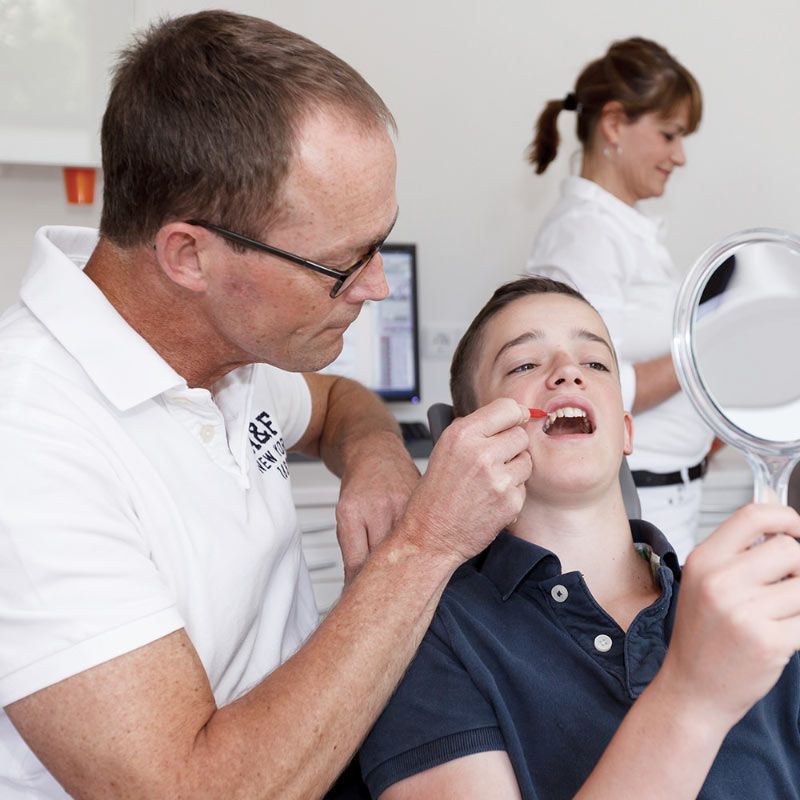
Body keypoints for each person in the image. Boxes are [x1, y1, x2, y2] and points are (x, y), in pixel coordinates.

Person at [0, 12, 537, 798]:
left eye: (380, 243)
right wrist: (425, 545)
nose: (376, 287)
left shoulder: (225, 353)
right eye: (343, 263)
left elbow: (338, 406)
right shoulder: (30, 444)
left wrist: (378, 459)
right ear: (189, 255)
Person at [360, 277, 800, 800]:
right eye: (524, 365)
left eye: (595, 363)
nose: (568, 371)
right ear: (468, 438)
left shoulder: (748, 612)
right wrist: (693, 696)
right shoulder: (427, 637)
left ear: (627, 430)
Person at [525, 37, 713, 561]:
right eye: (669, 134)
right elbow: (588, 384)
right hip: (639, 504)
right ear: (613, 124)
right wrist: (703, 353)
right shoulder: (585, 235)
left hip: (668, 496)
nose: (679, 156)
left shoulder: (623, 230)